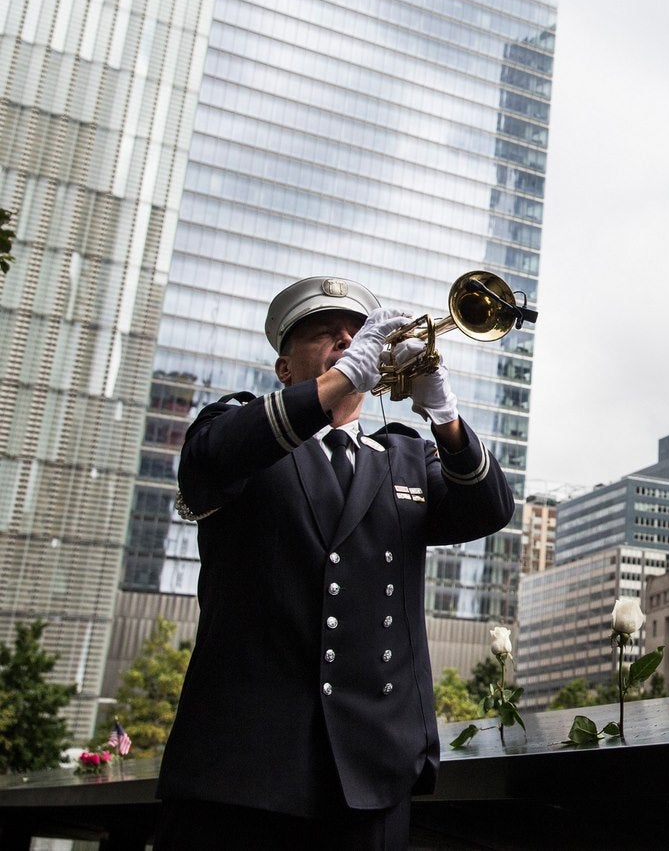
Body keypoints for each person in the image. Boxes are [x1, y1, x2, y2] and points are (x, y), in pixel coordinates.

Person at [155, 276, 516, 849]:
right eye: (325, 334)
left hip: (372, 778)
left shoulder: (403, 454)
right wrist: (341, 380)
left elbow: (490, 508)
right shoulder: (237, 426)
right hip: (242, 775)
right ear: (283, 369)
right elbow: (210, 459)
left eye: (357, 334)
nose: (347, 341)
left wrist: (444, 416)